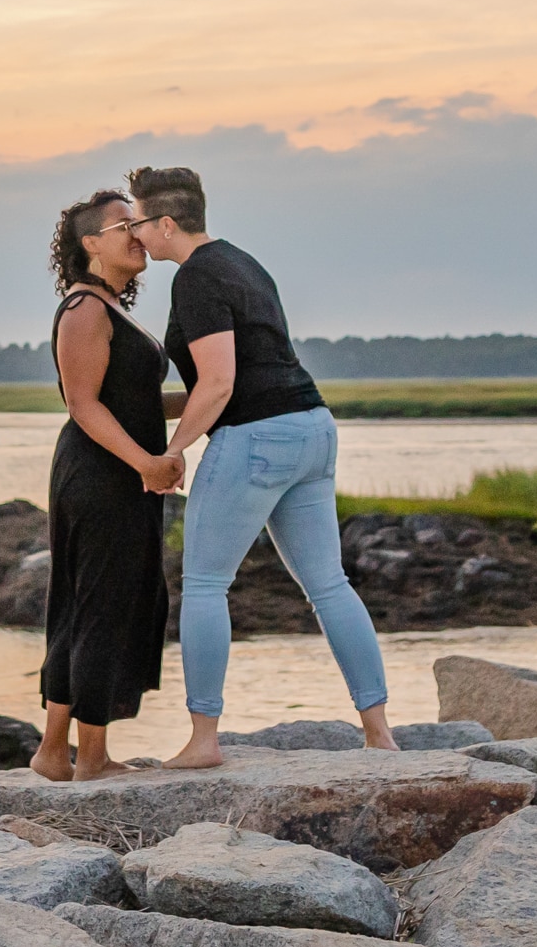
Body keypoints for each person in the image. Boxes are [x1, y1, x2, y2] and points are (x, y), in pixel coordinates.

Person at [131, 163, 390, 769]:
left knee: (204, 585)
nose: (135, 235)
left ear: (166, 223)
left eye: (139, 223)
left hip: (256, 439)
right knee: (329, 584)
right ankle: (379, 732)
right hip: (312, 428)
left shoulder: (195, 278)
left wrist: (171, 453)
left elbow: (219, 384)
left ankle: (204, 739)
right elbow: (248, 372)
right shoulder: (244, 262)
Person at [31, 187, 185, 780]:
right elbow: (85, 406)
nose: (138, 230)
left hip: (114, 470)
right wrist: (147, 464)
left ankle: (53, 752)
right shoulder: (85, 309)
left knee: (90, 601)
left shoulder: (110, 307)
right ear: (92, 243)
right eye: (125, 224)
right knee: (101, 603)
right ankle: (89, 757)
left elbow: (137, 403)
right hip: (99, 474)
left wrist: (213, 399)